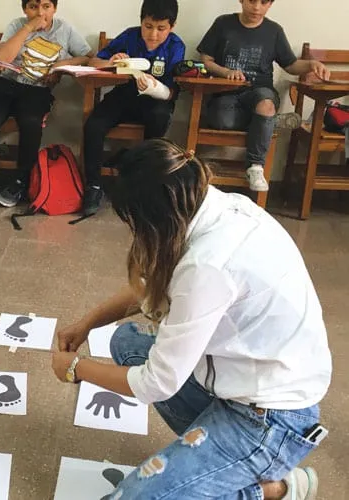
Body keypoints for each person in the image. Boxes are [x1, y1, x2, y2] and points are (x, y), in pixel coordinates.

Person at [52, 139, 332, 499]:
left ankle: (274, 488)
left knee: (135, 497)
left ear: (154, 217)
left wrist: (77, 368)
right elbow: (153, 289)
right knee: (128, 342)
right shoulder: (213, 205)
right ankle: (216, 462)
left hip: (271, 420)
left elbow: (157, 384)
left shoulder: (207, 264)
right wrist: (87, 323)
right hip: (239, 381)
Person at [198, 0, 330, 192]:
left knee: (265, 105)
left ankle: (255, 166)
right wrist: (226, 72)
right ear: (242, 0)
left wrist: (311, 64)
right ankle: (270, 121)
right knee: (220, 121)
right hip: (225, 92)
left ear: (270, 4)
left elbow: (290, 65)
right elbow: (206, 59)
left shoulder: (274, 31)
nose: (257, 7)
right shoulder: (223, 23)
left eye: (264, 2)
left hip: (260, 91)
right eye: (251, 1)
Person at [0, 0, 93, 210]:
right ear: (24, 9)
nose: (40, 12)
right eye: (33, 7)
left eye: (46, 6)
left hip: (37, 90)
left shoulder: (65, 29)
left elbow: (89, 57)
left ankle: (21, 181)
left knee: (31, 123)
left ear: (55, 8)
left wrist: (62, 65)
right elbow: (2, 57)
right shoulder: (16, 25)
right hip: (5, 84)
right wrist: (28, 27)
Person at [82, 0, 185, 216]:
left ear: (172, 26)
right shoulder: (130, 36)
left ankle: (144, 185)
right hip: (124, 95)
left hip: (157, 102)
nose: (153, 35)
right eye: (148, 27)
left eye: (161, 28)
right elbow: (94, 63)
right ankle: (93, 186)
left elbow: (173, 91)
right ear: (141, 22)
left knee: (158, 121)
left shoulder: (176, 46)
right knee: (94, 125)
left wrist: (153, 86)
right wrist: (113, 61)